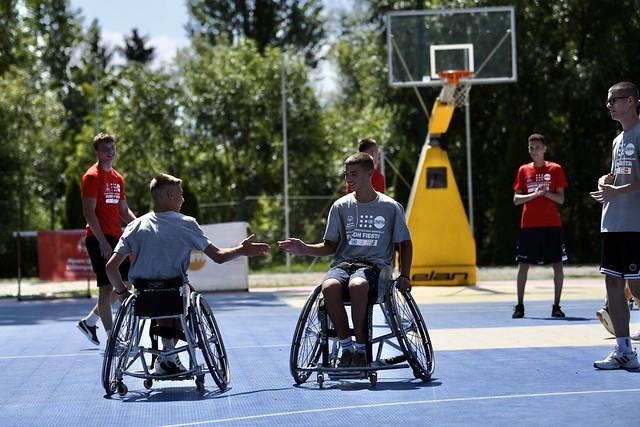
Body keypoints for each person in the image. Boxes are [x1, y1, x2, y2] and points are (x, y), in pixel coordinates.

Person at [105, 173, 270, 374]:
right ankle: (168, 354)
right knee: (183, 292)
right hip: (174, 294)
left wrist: (122, 294)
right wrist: (241, 250)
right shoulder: (186, 223)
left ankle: (165, 355)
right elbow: (217, 256)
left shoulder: (134, 225)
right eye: (180, 195)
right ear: (168, 195)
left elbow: (110, 268)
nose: (183, 199)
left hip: (143, 297)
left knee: (167, 293)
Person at [278, 152, 412, 368]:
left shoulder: (390, 207)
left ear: (370, 174)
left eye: (354, 174)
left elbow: (405, 243)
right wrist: (304, 248)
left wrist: (405, 275)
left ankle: (361, 349)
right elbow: (330, 246)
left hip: (376, 267)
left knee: (358, 284)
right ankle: (346, 347)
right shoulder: (340, 207)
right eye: (347, 174)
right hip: (344, 265)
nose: (349, 178)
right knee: (329, 286)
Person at [590, 81, 640, 370]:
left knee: (636, 286)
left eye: (614, 100)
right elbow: (616, 175)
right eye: (608, 101)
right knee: (613, 286)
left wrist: (617, 192)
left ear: (631, 101)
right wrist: (604, 182)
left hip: (634, 224)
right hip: (612, 222)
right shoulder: (617, 140)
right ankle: (624, 350)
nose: (609, 105)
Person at [77, 133, 136, 346]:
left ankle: (90, 321)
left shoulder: (118, 178)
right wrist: (101, 241)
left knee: (124, 283)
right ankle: (112, 338)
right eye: (105, 148)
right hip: (98, 238)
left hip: (116, 238)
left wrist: (140, 225)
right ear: (98, 152)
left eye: (112, 147)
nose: (110, 151)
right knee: (105, 287)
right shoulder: (91, 177)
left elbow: (123, 210)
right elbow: (89, 213)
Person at [512, 133, 568, 319]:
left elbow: (560, 198)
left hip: (551, 225)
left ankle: (556, 306)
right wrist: (533, 195)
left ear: (544, 149)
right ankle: (519, 306)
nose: (534, 151)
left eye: (537, 147)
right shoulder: (523, 170)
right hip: (529, 225)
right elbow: (516, 199)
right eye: (531, 148)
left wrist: (545, 194)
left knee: (558, 265)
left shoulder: (555, 169)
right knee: (523, 265)